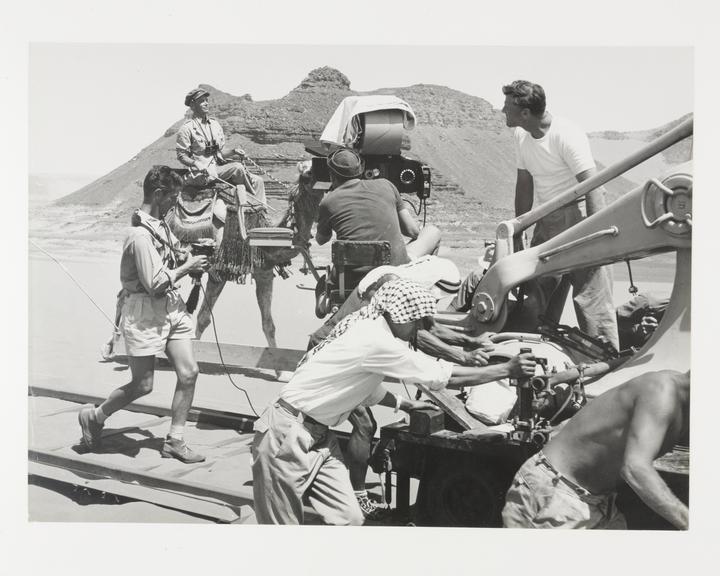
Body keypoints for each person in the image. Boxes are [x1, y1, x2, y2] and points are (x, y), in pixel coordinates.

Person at [251, 279, 537, 525]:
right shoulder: (376, 340)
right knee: (281, 530)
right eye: (417, 321)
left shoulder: (367, 323)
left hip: (319, 437)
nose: (420, 329)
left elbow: (363, 388)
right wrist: (505, 370)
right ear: (401, 315)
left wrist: (406, 405)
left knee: (348, 517)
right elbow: (441, 375)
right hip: (289, 434)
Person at [307, 258, 496, 518]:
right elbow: (417, 335)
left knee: (359, 421)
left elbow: (429, 326)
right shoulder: (390, 283)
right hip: (331, 351)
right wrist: (463, 358)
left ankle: (334, 473)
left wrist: (470, 342)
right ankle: (358, 494)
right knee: (364, 424)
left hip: (358, 354)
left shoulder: (408, 283)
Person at [450, 81, 619, 350]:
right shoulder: (521, 135)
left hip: (578, 216)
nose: (502, 111)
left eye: (507, 107)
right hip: (547, 217)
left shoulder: (566, 134)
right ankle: (528, 350)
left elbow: (593, 186)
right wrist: (520, 228)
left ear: (525, 113)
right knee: (534, 291)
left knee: (590, 294)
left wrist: (595, 236)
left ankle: (604, 357)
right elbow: (524, 182)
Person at [77, 166, 211, 463]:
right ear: (159, 194)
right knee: (143, 385)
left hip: (172, 309)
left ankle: (175, 440)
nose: (176, 204)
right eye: (173, 197)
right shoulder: (139, 235)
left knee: (189, 373)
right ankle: (95, 417)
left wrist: (191, 256)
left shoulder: (159, 226)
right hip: (145, 311)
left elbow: (173, 257)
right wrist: (188, 268)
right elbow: (154, 284)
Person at [502, 370, 690, 529]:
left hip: (594, 502)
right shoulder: (662, 393)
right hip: (557, 492)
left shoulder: (684, 403)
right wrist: (690, 523)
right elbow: (635, 469)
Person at [316, 147, 441, 267]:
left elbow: (321, 240)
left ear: (331, 175)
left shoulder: (328, 202)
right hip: (394, 270)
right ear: (360, 170)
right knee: (432, 232)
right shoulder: (387, 186)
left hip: (350, 277)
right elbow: (412, 231)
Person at [176, 87, 266, 207]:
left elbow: (220, 152)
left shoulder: (215, 125)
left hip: (220, 167)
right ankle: (252, 204)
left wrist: (234, 151)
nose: (206, 103)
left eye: (206, 100)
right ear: (193, 104)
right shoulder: (186, 128)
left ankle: (260, 212)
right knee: (237, 168)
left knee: (259, 181)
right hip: (203, 173)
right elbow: (182, 156)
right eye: (202, 101)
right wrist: (196, 163)